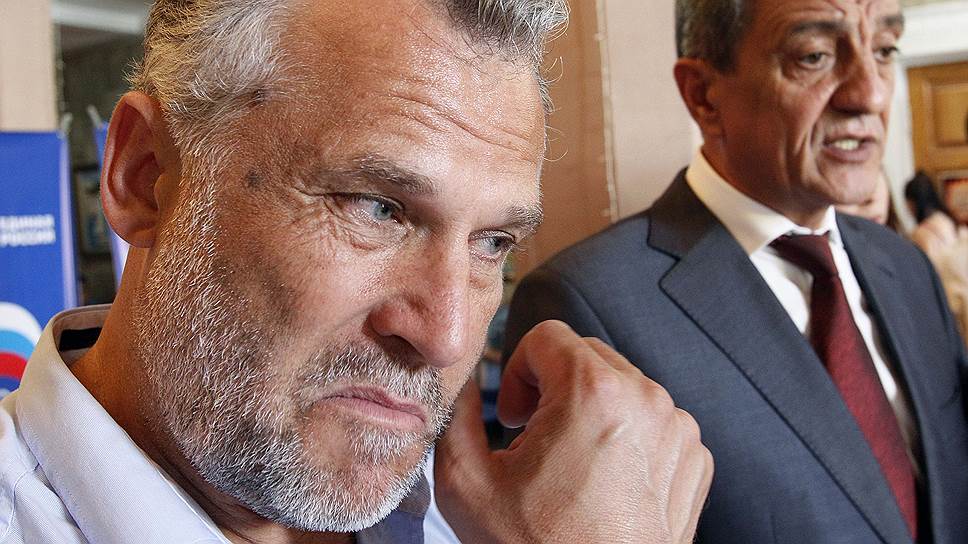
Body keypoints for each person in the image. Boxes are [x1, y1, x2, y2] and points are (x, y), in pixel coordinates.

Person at [0, 1, 715, 543]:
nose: (447, 336)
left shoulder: (509, 521)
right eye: (378, 208)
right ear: (144, 176)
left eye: (492, 242)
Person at [504, 0, 968, 542]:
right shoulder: (586, 305)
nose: (872, 95)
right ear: (703, 95)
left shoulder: (906, 267)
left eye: (885, 50)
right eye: (814, 56)